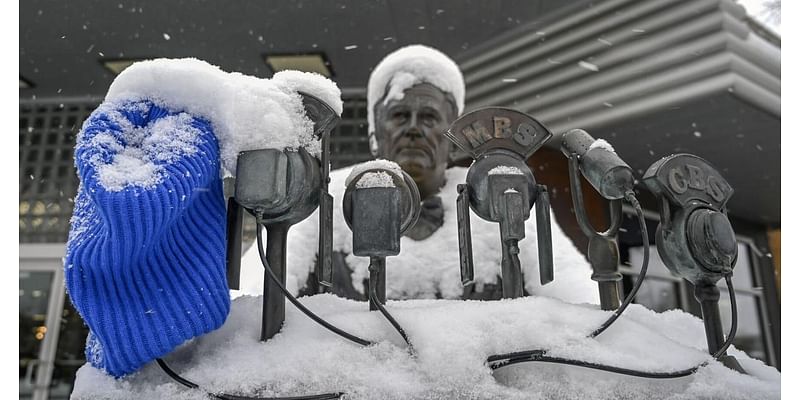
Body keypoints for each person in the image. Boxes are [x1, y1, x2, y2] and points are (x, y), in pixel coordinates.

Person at [237, 45, 598, 305]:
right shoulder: (324, 199)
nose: (413, 129)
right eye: (398, 116)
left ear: (454, 138)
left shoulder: (503, 196)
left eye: (428, 118)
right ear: (375, 134)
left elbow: (574, 309)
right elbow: (260, 304)